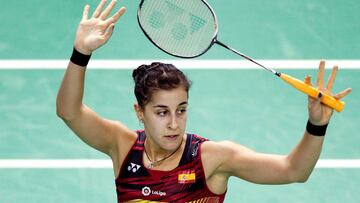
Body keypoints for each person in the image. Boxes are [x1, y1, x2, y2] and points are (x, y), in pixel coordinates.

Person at [56, 0, 352, 202]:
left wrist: (316, 125)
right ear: (140, 113)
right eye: (161, 112)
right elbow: (68, 112)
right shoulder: (122, 145)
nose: (174, 123)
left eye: (181, 110)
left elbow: (293, 171)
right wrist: (81, 53)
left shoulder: (212, 158)